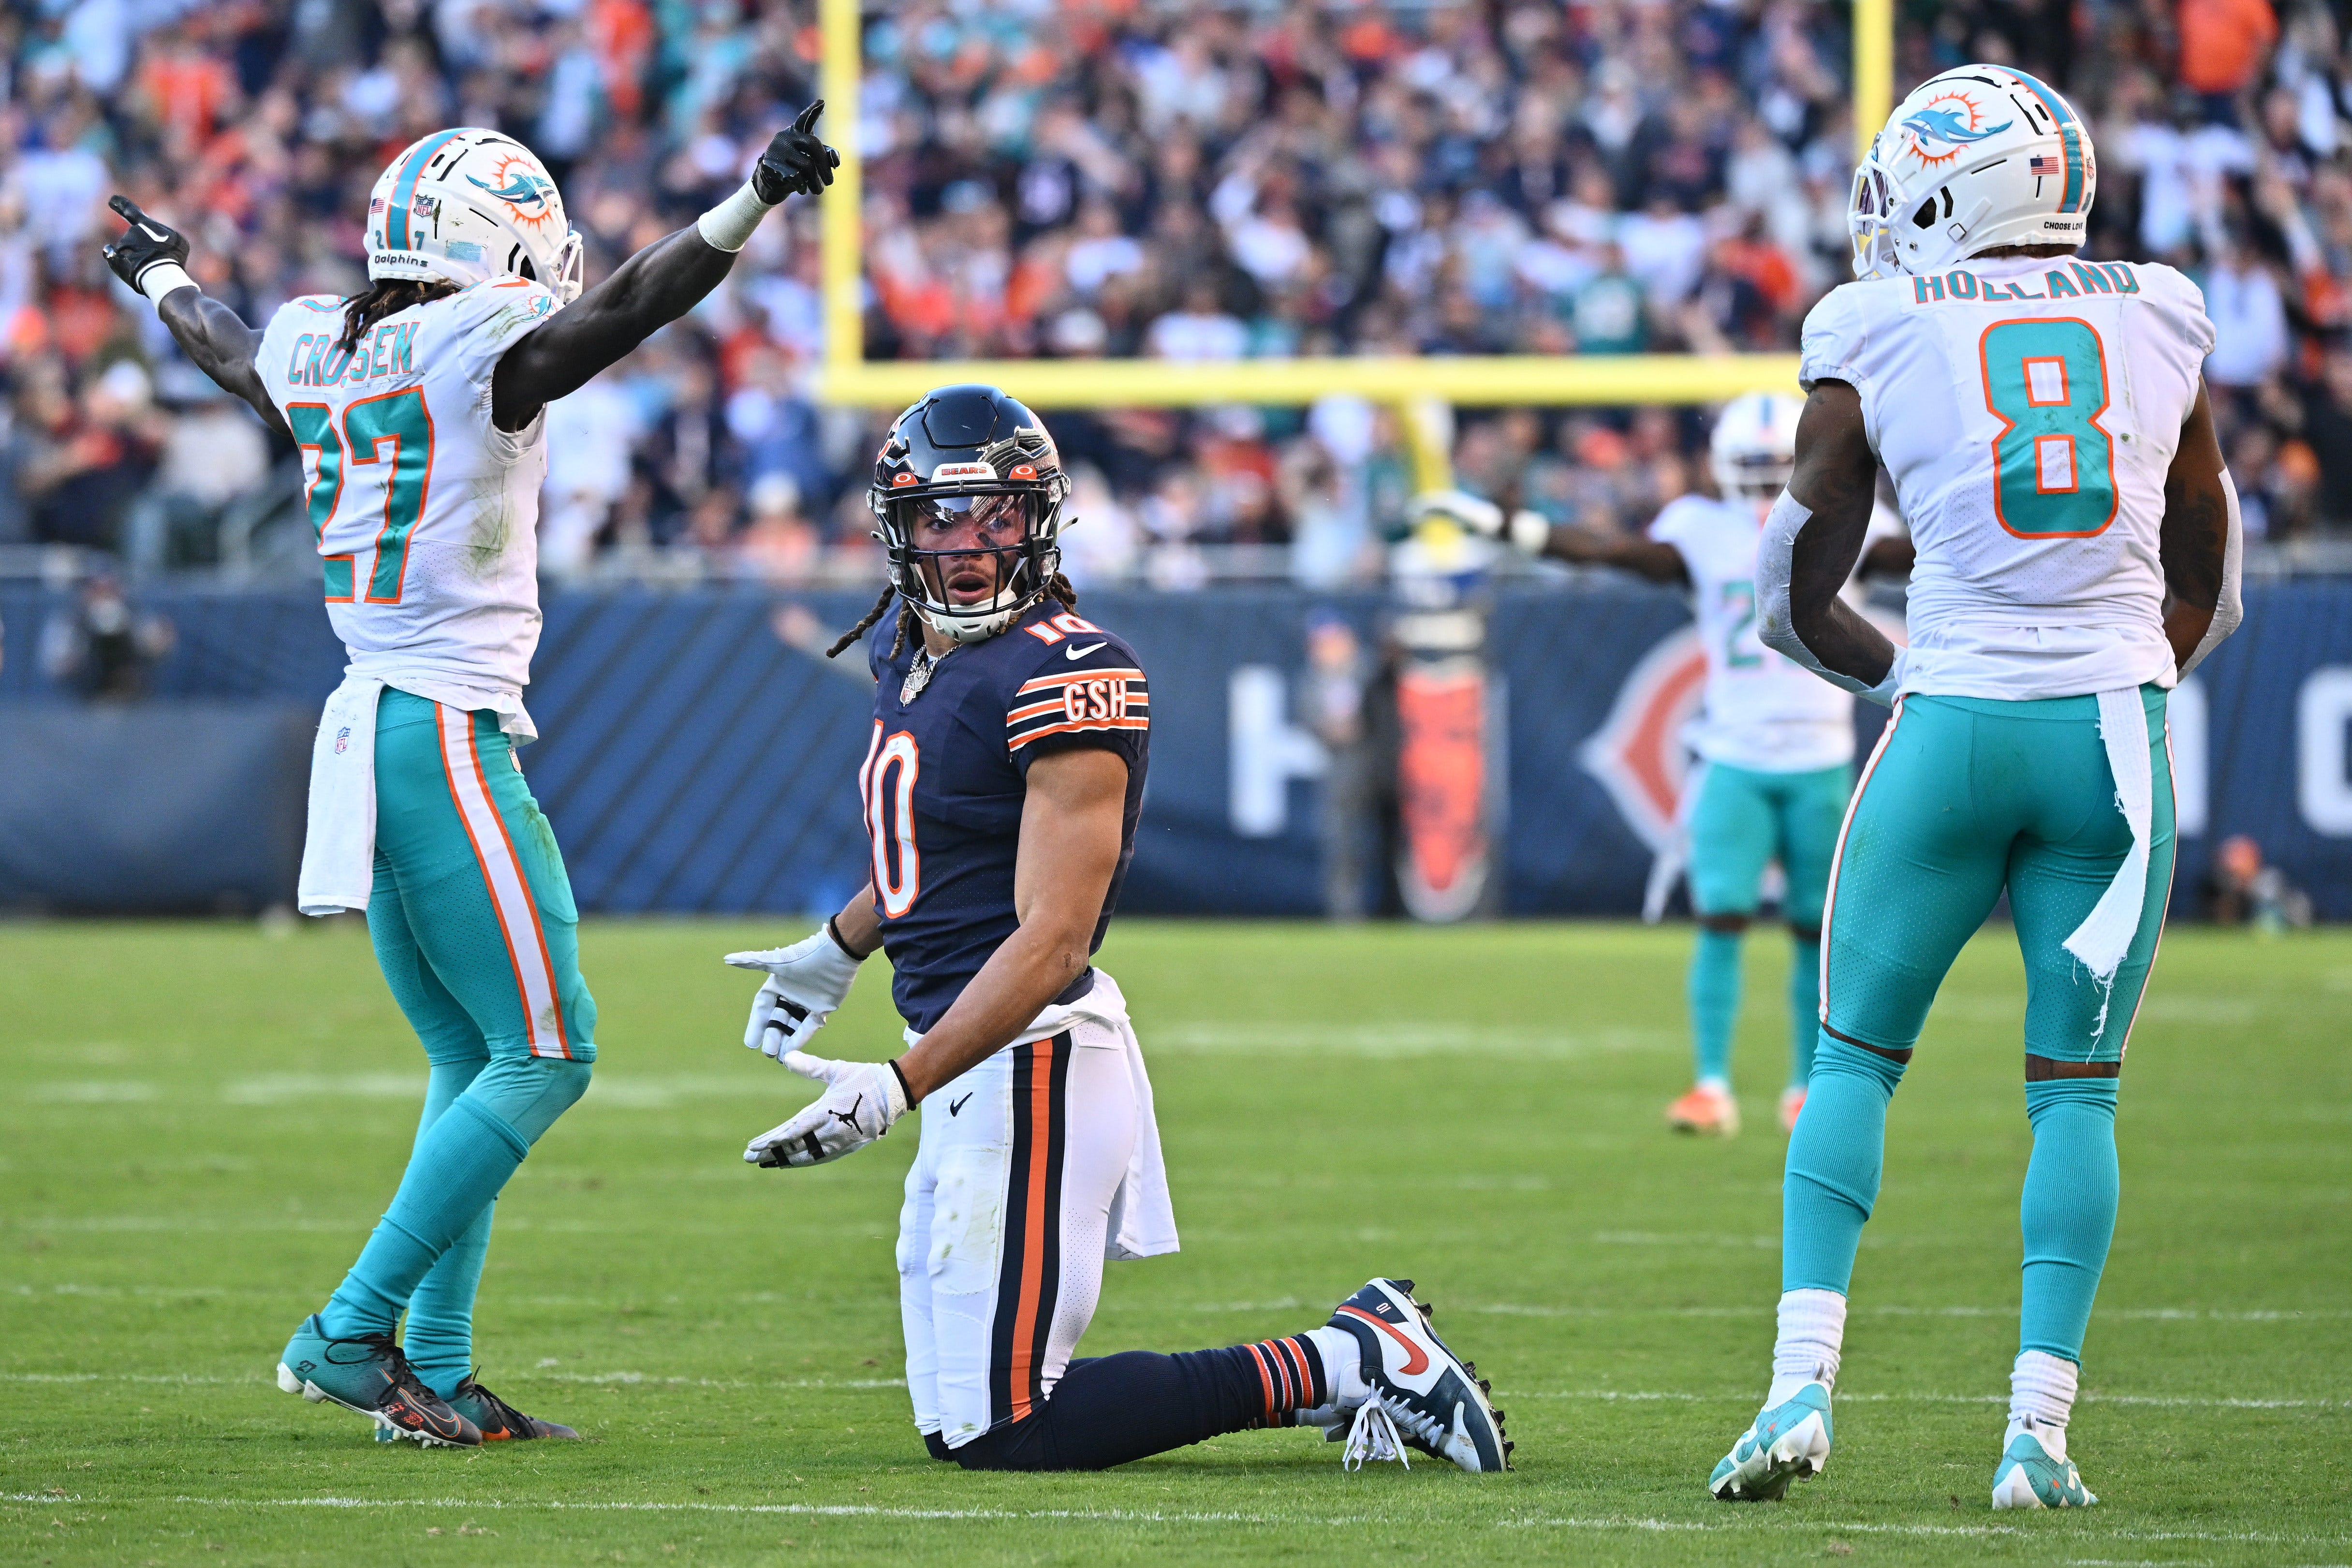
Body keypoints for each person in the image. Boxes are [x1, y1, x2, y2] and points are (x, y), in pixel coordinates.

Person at [102, 108, 841, 1448]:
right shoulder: (473, 347)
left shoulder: (321, 338)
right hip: (440, 727)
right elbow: (619, 312)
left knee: (470, 1052)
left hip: (367, 726)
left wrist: (160, 275)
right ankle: (351, 1324)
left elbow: (222, 346)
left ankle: (430, 1371)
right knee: (551, 1051)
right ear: (502, 241)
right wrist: (749, 202)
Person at [720, 384, 1510, 1473]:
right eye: (939, 517)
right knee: (959, 1425)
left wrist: (894, 1083)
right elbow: (948, 847)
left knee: (1009, 1425)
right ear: (894, 524)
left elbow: (1051, 941)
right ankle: (1348, 1357)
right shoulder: (913, 645)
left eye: (992, 513)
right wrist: (845, 938)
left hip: (1030, 1050)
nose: (964, 544)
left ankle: (1348, 1358)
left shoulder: (1067, 670)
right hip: (964, 1048)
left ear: (1038, 516)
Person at [1704, 67, 2239, 1509]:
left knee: (1851, 1063)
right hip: (2111, 736)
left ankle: (1797, 1387)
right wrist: (2128, 674)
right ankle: (2036, 1437)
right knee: (2078, 1094)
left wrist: (1901, 677)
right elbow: (2215, 573)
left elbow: (1783, 594)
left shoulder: (1875, 323)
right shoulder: (2167, 307)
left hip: (1950, 716)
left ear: (1962, 185)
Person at [1416, 396, 1911, 1138]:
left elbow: (1917, 551)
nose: (1767, 482)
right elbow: (1611, 553)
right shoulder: (1703, 532)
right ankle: (1712, 1085)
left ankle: (1805, 1088)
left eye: (1778, 466)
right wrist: (1512, 528)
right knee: (1721, 916)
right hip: (1735, 754)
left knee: (1817, 928)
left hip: (1819, 755)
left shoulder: (1852, 526)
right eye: (1754, 466)